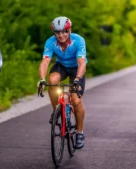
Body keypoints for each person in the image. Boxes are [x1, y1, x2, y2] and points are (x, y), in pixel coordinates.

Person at [37, 16, 87, 149]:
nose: (61, 35)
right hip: (62, 66)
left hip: (76, 68)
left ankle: (80, 133)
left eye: (64, 31)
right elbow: (45, 62)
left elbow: (82, 63)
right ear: (54, 32)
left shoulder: (78, 40)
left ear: (69, 29)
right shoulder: (50, 42)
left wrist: (77, 80)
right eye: (57, 32)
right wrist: (42, 79)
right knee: (52, 80)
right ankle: (56, 111)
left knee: (76, 101)